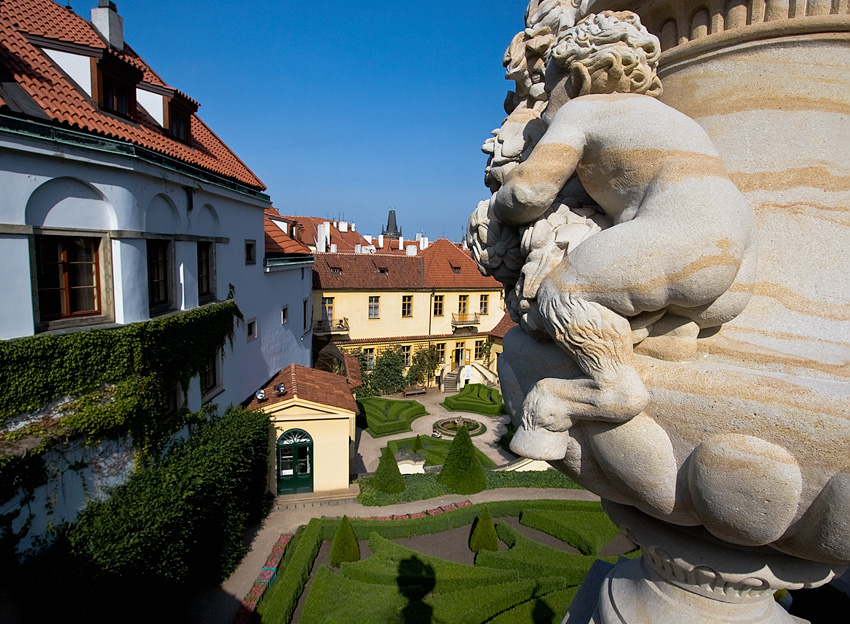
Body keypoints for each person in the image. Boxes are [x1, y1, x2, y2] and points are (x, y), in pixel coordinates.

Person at [492, 12, 757, 457]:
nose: (543, 100)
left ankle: (602, 391)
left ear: (574, 75)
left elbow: (527, 193)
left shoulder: (584, 109)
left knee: (565, 294)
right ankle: (667, 333)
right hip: (737, 252)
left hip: (680, 237)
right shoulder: (667, 118)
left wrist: (499, 202)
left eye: (550, 82)